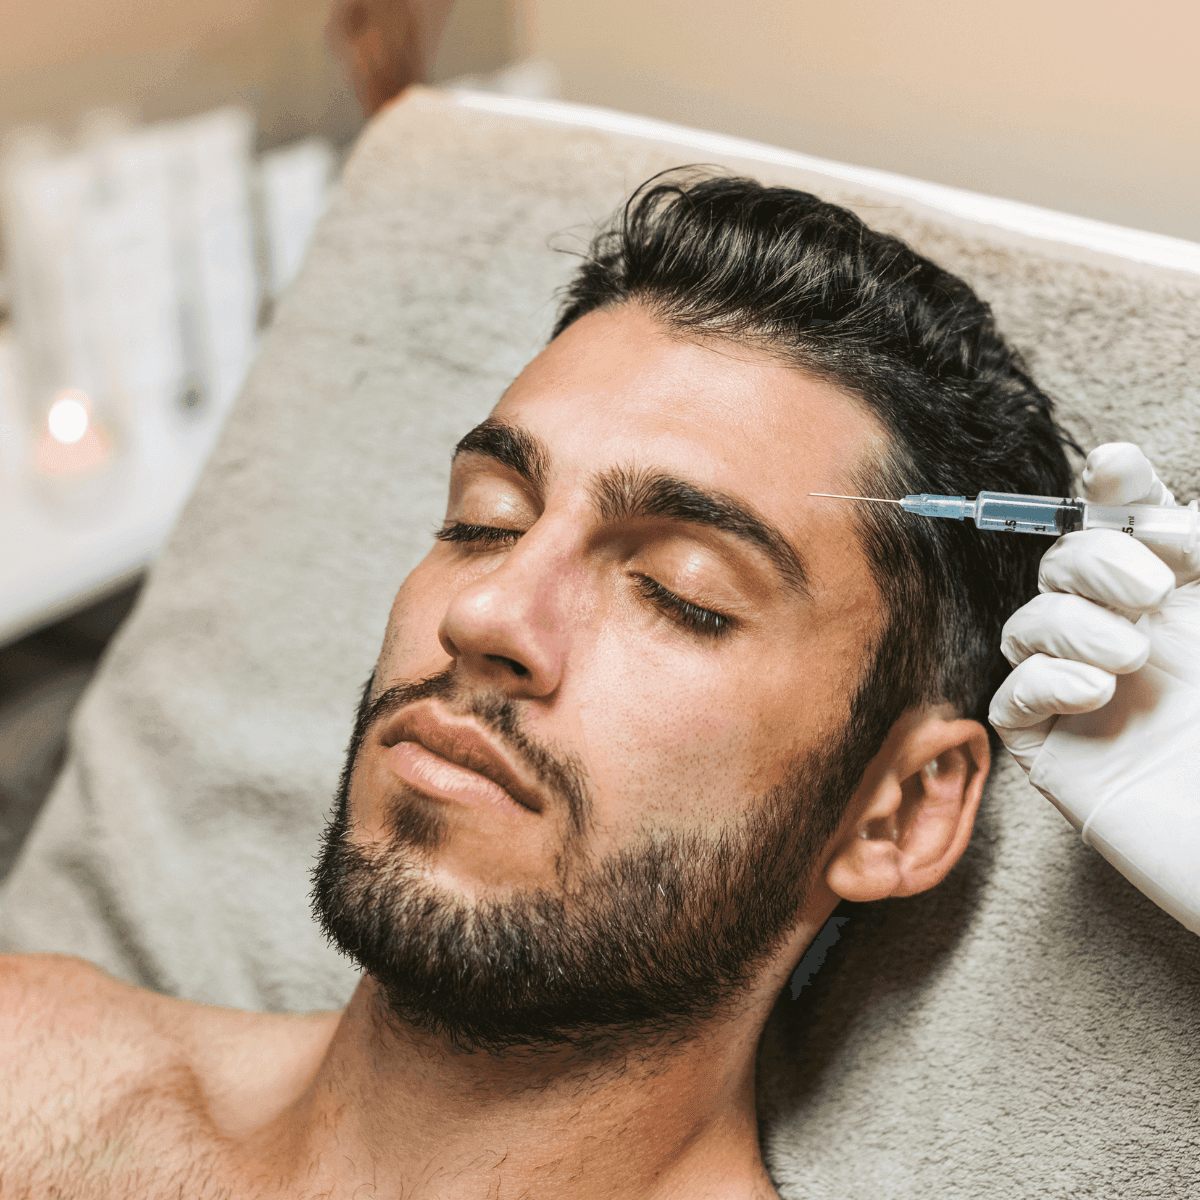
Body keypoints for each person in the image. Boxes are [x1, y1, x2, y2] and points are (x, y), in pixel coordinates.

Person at [1, 174, 1189, 1198]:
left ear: (899, 810)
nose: (485, 614)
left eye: (680, 590)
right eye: (484, 521)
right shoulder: (33, 1070)